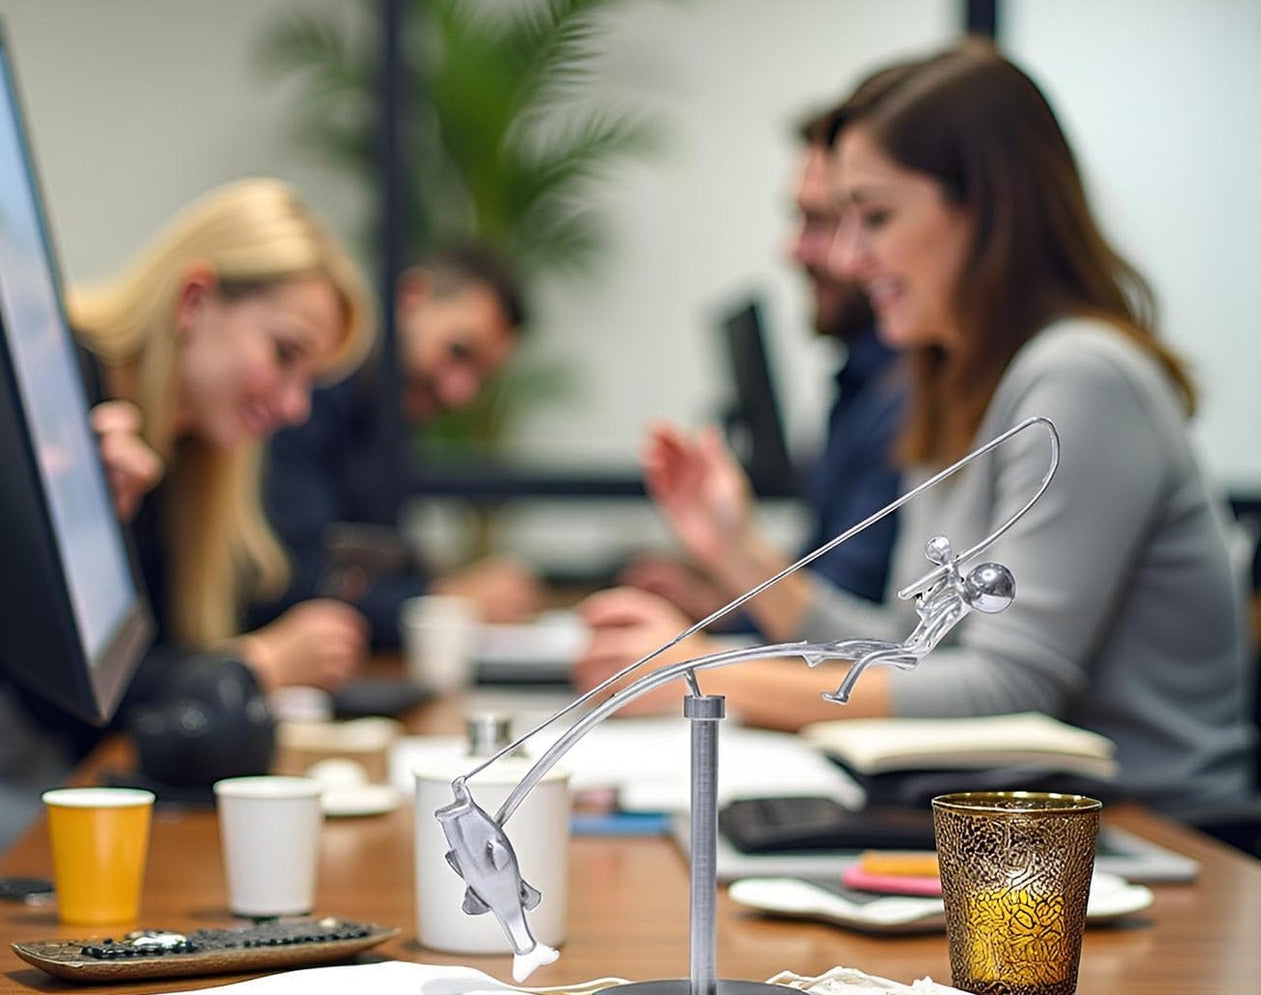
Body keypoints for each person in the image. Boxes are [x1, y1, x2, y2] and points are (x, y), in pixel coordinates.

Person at [576, 41, 1254, 818]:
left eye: (873, 217)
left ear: (985, 209)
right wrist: (735, 549)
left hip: (1167, 842)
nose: (846, 256)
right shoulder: (950, 380)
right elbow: (907, 643)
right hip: (1023, 831)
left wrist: (699, 675)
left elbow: (1007, 688)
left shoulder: (1081, 378)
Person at [66, 178, 376, 698]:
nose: (295, 407)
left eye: (310, 380)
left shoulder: (191, 451)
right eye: (284, 354)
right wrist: (263, 663)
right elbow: (74, 695)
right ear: (193, 301)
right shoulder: (62, 395)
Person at [622, 106, 905, 617]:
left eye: (821, 220)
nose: (794, 249)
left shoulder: (908, 397)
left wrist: (684, 659)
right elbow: (832, 616)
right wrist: (719, 593)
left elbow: (858, 643)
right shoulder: (862, 385)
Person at [261, 241, 543, 647]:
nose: (460, 392)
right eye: (458, 352)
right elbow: (303, 584)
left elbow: (378, 566)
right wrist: (449, 603)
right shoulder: (304, 402)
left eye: (482, 377)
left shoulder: (387, 425)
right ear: (411, 297)